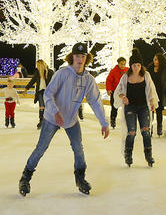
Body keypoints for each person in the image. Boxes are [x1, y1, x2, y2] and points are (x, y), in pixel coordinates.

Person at [18, 42, 109, 197]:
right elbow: (48, 94)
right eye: (77, 56)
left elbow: (95, 101)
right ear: (72, 57)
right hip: (52, 117)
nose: (80, 59)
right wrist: (55, 111)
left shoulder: (88, 79)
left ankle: (80, 178)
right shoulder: (63, 73)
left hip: (71, 119)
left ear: (86, 58)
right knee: (41, 148)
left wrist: (104, 122)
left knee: (78, 148)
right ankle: (25, 177)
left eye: (83, 56)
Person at [113, 55, 157, 167]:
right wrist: (123, 97)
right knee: (131, 132)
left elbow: (151, 90)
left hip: (143, 107)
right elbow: (119, 90)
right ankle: (128, 155)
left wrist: (152, 101)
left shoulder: (146, 75)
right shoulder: (125, 77)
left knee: (146, 131)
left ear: (141, 66)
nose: (136, 67)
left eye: (138, 65)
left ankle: (148, 155)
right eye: (134, 65)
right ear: (130, 66)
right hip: (130, 107)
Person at [150, 52, 166, 136]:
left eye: (156, 59)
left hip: (161, 93)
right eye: (154, 59)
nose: (155, 61)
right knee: (150, 111)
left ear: (160, 60)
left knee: (159, 111)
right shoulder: (150, 68)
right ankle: (150, 128)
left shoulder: (165, 70)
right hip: (151, 93)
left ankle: (159, 128)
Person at [25, 59, 53, 129]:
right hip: (40, 92)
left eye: (38, 65)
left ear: (41, 65)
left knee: (49, 108)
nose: (37, 67)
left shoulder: (50, 72)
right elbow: (33, 80)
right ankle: (41, 121)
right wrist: (26, 88)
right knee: (41, 106)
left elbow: (54, 82)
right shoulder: (37, 72)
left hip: (48, 93)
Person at [104, 57, 128, 130]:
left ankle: (127, 121)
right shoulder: (114, 71)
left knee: (127, 106)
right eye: (121, 64)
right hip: (115, 91)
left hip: (124, 92)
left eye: (124, 64)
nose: (123, 66)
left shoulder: (127, 70)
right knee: (114, 106)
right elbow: (109, 80)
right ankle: (113, 120)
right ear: (118, 63)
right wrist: (108, 89)